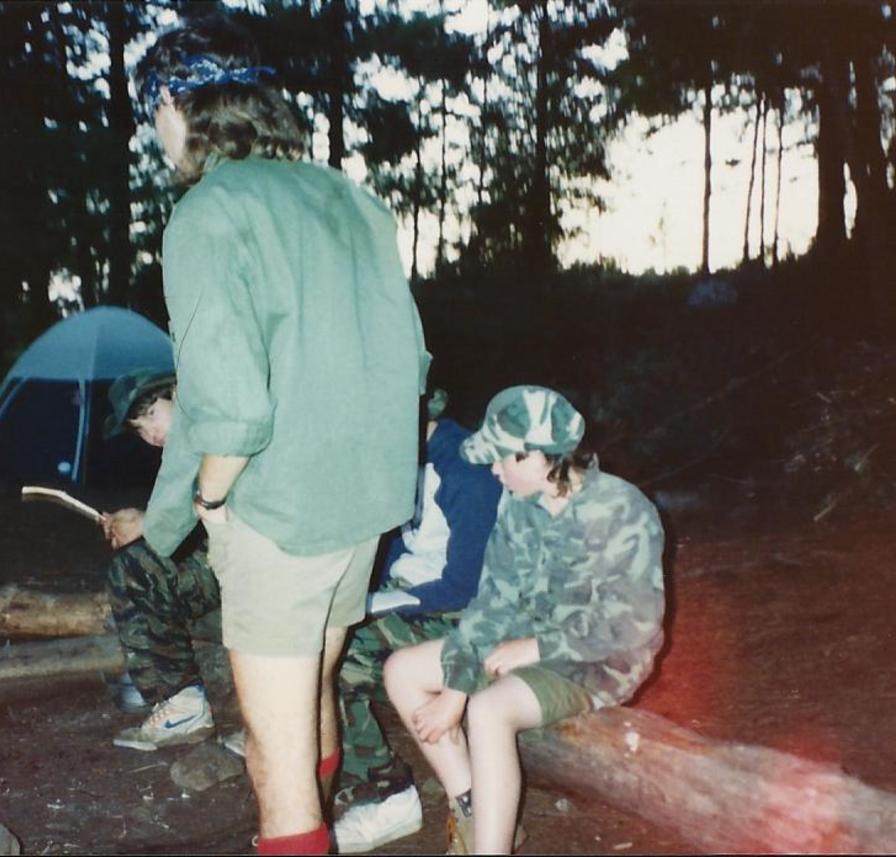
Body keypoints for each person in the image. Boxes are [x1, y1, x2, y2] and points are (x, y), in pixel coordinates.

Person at [135, 17, 428, 855]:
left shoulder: (205, 214)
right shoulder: (351, 201)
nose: (155, 131)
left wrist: (210, 500)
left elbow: (230, 405)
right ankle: (323, 822)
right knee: (314, 688)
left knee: (275, 751)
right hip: (366, 499)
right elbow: (406, 359)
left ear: (177, 104)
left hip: (278, 510)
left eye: (154, 110)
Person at [384, 385, 665, 854]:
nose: (494, 471)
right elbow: (493, 603)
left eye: (502, 459)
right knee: (402, 671)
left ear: (539, 455)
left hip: (596, 662)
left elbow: (634, 624)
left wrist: (536, 649)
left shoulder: (621, 509)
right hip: (525, 640)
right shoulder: (520, 508)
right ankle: (477, 812)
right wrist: (455, 689)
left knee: (489, 710)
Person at [332, 399, 502, 854]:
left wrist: (377, 603)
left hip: (456, 610)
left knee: (339, 654)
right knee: (321, 633)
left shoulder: (467, 470)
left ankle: (389, 795)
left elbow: (468, 586)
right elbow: (389, 547)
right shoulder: (400, 458)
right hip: (410, 593)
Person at [98, 369, 224, 752]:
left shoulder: (214, 425)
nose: (150, 434)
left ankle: (183, 701)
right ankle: (178, 700)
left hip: (260, 562)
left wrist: (148, 524)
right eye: (139, 428)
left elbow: (222, 502)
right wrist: (144, 521)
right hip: (227, 556)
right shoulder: (182, 446)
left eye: (152, 413)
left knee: (134, 568)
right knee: (135, 563)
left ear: (176, 391)